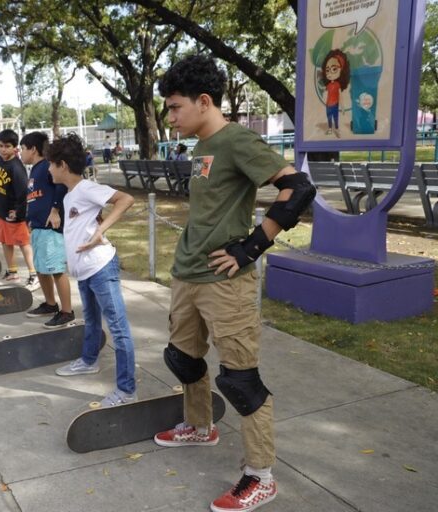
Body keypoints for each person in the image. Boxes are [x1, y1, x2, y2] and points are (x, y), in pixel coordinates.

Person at [153, 55, 316, 512]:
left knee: (241, 382)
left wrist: (250, 248)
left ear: (204, 102)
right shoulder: (200, 145)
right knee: (183, 360)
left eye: (175, 107)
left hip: (226, 284)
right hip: (188, 275)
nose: (170, 117)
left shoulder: (237, 141)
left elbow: (298, 188)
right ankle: (200, 426)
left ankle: (260, 475)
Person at [46, 133, 137, 407]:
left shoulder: (86, 188)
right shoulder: (70, 194)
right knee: (92, 319)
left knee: (119, 328)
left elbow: (125, 199)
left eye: (51, 164)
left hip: (100, 267)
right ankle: (88, 360)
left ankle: (126, 390)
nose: (48, 169)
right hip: (85, 271)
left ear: (62, 165)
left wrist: (101, 231)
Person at [20, 131, 74, 329]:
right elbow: (35, 197)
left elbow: (60, 187)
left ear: (33, 149)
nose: (21, 152)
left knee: (56, 269)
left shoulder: (46, 167)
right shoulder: (34, 170)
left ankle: (67, 312)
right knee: (42, 267)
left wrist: (55, 210)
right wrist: (28, 218)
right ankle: (50, 304)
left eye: (23, 148)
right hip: (38, 227)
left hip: (50, 227)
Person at [0, 129, 39, 291]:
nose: (3, 149)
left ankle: (34, 275)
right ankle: (12, 272)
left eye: (7, 146)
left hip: (14, 213)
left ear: (14, 148)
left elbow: (23, 193)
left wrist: (18, 211)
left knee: (23, 243)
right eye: (1, 146)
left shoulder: (16, 167)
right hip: (1, 211)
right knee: (5, 241)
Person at [321, 49, 349, 138]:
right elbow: (325, 92)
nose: (329, 73)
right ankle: (330, 129)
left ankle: (336, 128)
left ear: (342, 70)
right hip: (328, 104)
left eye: (334, 69)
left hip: (335, 104)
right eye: (327, 70)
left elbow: (340, 95)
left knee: (335, 117)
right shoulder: (328, 85)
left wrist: (342, 106)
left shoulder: (337, 84)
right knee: (329, 117)